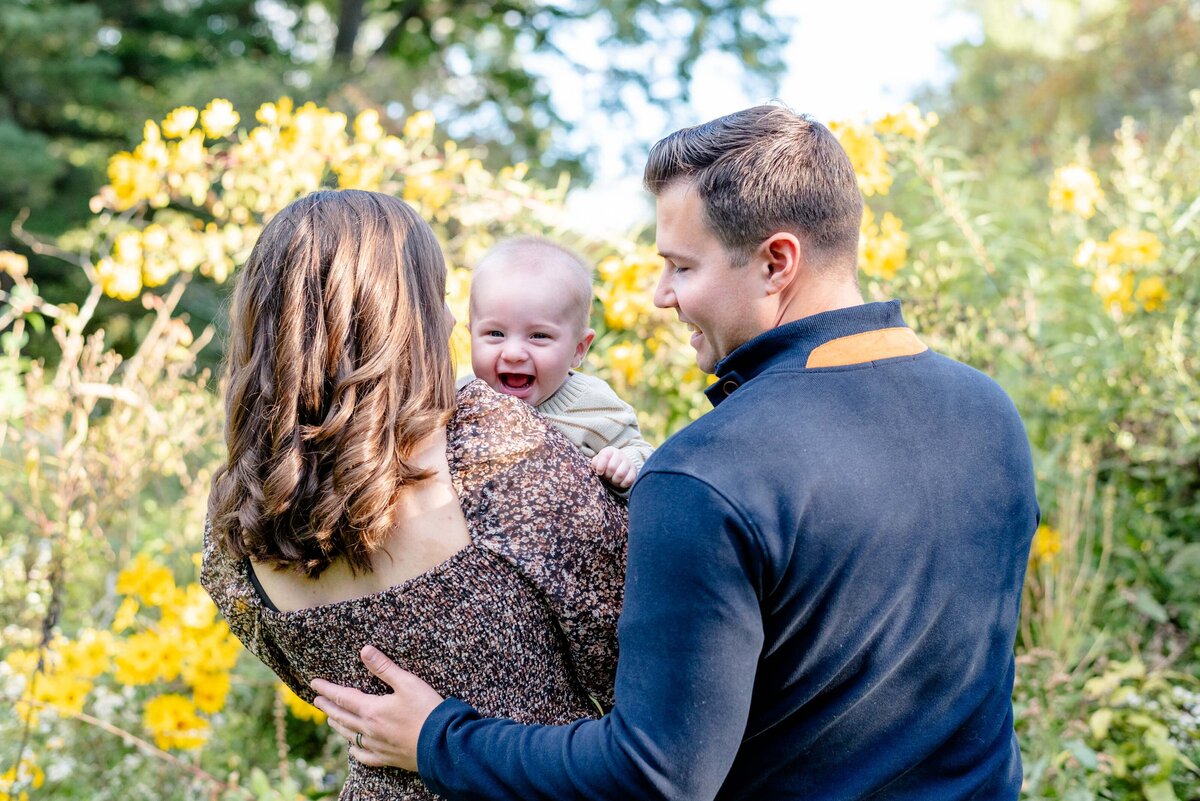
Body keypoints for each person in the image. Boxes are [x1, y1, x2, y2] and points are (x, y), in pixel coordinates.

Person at [312, 106, 1040, 800]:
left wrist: (437, 738)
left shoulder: (709, 473)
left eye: (682, 267)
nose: (662, 295)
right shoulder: (989, 413)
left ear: (776, 262)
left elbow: (654, 777)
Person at [200, 189, 628, 800]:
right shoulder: (489, 445)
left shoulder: (237, 523)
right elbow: (636, 666)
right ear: (403, 318)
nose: (451, 322)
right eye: (438, 298)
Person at [465, 236, 654, 492]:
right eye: (495, 334)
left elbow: (643, 454)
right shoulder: (461, 396)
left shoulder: (593, 404)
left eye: (538, 336)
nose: (513, 353)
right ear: (471, 335)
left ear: (579, 349)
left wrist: (625, 463)